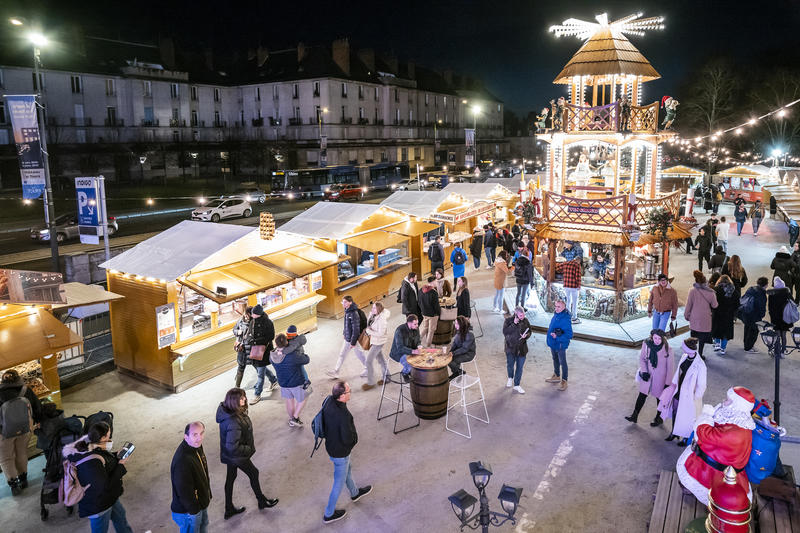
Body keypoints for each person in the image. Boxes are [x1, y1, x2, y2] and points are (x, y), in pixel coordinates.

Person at [676, 387, 756, 505]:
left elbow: (705, 434)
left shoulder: (736, 433)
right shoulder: (737, 421)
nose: (724, 401)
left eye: (728, 400)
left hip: (716, 471)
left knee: (702, 483)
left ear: (737, 405)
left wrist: (706, 415)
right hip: (716, 460)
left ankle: (709, 500)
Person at [215, 388, 278, 519]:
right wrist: (247, 449)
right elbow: (232, 446)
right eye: (241, 398)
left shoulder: (229, 412)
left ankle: (229, 509)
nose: (244, 399)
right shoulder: (233, 421)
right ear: (233, 401)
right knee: (254, 473)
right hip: (236, 456)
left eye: (244, 396)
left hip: (230, 456)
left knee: (230, 478)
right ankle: (261, 501)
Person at [63, 421, 133, 532]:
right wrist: (121, 465)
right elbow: (105, 486)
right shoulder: (92, 462)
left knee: (121, 519)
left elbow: (103, 459)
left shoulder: (90, 444)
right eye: (109, 435)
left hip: (109, 497)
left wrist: (116, 455)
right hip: (98, 504)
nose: (110, 437)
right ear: (102, 438)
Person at [322, 381, 371, 524]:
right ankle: (329, 514)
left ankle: (355, 493)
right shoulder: (343, 415)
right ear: (342, 395)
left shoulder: (328, 401)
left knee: (348, 469)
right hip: (340, 453)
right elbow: (348, 438)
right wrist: (354, 441)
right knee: (338, 482)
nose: (351, 392)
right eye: (349, 391)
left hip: (331, 446)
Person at [0, 369, 42, 496]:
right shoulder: (26, 390)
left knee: (6, 458)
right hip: (24, 429)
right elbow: (37, 408)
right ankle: (23, 479)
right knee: (21, 453)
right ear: (18, 378)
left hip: (3, 433)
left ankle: (14, 484)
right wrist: (37, 422)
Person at [659, 338, 707, 447]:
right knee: (675, 411)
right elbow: (678, 372)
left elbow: (702, 385)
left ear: (689, 349)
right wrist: (673, 384)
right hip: (679, 389)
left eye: (683, 347)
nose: (682, 348)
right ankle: (674, 432)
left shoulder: (700, 365)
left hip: (689, 395)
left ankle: (686, 437)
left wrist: (696, 397)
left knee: (687, 417)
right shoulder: (684, 356)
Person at [625, 329, 675, 426]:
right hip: (648, 375)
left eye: (659, 339)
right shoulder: (646, 344)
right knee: (642, 395)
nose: (657, 341)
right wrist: (644, 371)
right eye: (655, 338)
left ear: (663, 339)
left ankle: (659, 418)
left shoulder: (668, 349)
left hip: (660, 378)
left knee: (659, 398)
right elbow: (642, 359)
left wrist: (667, 384)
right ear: (652, 337)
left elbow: (670, 368)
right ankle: (634, 416)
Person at [171, 422, 211, 533]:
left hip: (200, 502)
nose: (199, 438)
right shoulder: (182, 461)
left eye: (201, 433)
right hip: (189, 511)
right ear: (186, 437)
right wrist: (195, 511)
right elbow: (184, 491)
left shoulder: (196, 446)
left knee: (204, 525)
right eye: (195, 434)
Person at [271, 333, 310, 427]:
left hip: (283, 383)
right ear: (287, 342)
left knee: (289, 401)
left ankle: (292, 420)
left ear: (276, 344)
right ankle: (295, 418)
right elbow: (306, 359)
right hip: (296, 382)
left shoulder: (272, 356)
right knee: (304, 398)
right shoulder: (293, 355)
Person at [327, 296, 366, 379]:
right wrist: (344, 333)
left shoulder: (354, 313)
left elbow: (356, 329)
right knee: (342, 354)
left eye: (345, 302)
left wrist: (353, 342)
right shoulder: (347, 310)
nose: (343, 304)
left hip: (353, 339)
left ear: (350, 302)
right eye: (343, 302)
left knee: (360, 354)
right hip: (348, 338)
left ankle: (368, 369)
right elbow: (346, 325)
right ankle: (336, 371)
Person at [248, 305, 278, 404]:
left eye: (253, 313)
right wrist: (250, 340)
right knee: (260, 369)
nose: (252, 315)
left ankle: (257, 394)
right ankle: (273, 380)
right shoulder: (252, 322)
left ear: (258, 314)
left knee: (260, 374)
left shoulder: (268, 322)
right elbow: (249, 333)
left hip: (264, 351)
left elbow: (271, 336)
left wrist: (256, 341)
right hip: (255, 350)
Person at [684, 270, 718, 357]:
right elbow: (715, 305)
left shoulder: (692, 291)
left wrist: (686, 315)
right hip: (705, 318)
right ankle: (700, 354)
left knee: (693, 338)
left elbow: (688, 305)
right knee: (702, 339)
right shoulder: (711, 292)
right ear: (705, 281)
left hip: (694, 318)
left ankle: (692, 354)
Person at [503, 306, 532, 394]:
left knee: (520, 367)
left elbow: (530, 331)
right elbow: (505, 332)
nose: (523, 317)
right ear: (516, 314)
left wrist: (526, 336)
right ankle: (510, 378)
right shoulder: (508, 321)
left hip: (522, 349)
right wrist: (514, 324)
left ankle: (517, 385)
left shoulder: (525, 321)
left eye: (523, 315)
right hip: (510, 348)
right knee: (510, 365)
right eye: (520, 315)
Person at [545, 299, 572, 392]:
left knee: (562, 362)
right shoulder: (556, 314)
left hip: (560, 344)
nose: (556, 308)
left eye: (559, 307)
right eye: (555, 306)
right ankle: (556, 375)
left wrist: (557, 337)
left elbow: (569, 335)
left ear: (564, 307)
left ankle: (564, 380)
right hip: (553, 342)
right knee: (555, 359)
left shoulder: (565, 319)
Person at [362, 302, 390, 391]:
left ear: (379, 310)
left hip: (378, 342)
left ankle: (370, 383)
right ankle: (387, 377)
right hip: (374, 340)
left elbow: (381, 334)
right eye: (372, 307)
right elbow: (369, 324)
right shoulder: (373, 315)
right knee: (381, 360)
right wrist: (369, 328)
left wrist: (369, 331)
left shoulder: (382, 320)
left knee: (368, 361)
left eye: (374, 308)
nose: (372, 309)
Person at [711, 275, 739, 356]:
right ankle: (723, 348)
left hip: (717, 313)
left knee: (717, 329)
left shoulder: (715, 290)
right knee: (726, 333)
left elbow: (712, 302)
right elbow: (737, 304)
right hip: (728, 315)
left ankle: (717, 344)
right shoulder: (734, 291)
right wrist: (734, 314)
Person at [740, 277, 768, 353]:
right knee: (754, 331)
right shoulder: (761, 293)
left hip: (746, 313)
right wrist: (762, 314)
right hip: (754, 315)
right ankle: (748, 347)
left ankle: (746, 345)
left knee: (747, 329)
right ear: (765, 285)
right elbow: (761, 306)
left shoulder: (751, 289)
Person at [768, 277, 795, 354]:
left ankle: (777, 350)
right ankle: (783, 350)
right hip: (785, 317)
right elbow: (793, 303)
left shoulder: (772, 294)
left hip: (775, 318)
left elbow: (770, 307)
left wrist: (771, 315)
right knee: (783, 334)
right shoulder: (787, 293)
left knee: (777, 334)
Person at [388, 314, 421, 379]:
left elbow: (418, 340)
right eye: (415, 324)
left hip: (411, 350)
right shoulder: (400, 330)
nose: (417, 325)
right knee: (410, 364)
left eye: (417, 323)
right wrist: (413, 351)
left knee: (421, 361)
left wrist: (419, 346)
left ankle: (411, 371)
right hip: (399, 353)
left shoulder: (416, 328)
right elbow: (400, 348)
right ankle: (404, 372)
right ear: (409, 323)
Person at [558, 257, 582, 323]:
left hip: (566, 285)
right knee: (575, 302)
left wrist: (563, 273)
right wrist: (579, 285)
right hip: (574, 286)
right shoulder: (577, 265)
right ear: (578, 261)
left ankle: (567, 316)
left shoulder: (565, 263)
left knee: (568, 301)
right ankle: (574, 317)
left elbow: (557, 268)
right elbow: (578, 276)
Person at [418, 281, 440, 348]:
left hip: (424, 313)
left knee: (425, 328)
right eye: (435, 282)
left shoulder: (421, 290)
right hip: (433, 315)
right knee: (431, 331)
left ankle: (417, 340)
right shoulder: (433, 292)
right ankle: (428, 346)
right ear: (432, 283)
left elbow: (419, 302)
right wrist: (438, 313)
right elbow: (436, 306)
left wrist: (422, 310)